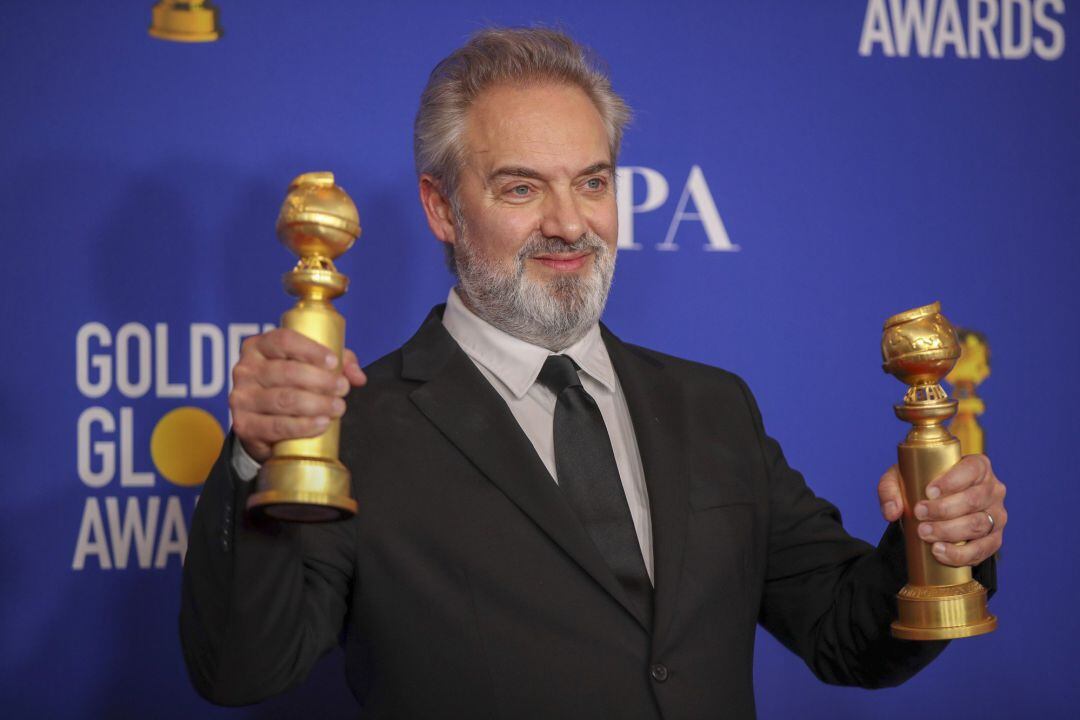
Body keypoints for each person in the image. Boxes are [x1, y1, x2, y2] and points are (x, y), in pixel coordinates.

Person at [180, 27, 1007, 719]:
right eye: (520, 188)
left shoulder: (714, 408)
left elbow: (845, 634)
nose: (570, 223)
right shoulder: (360, 428)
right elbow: (244, 668)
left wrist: (937, 547)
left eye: (593, 182)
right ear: (441, 207)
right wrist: (257, 457)